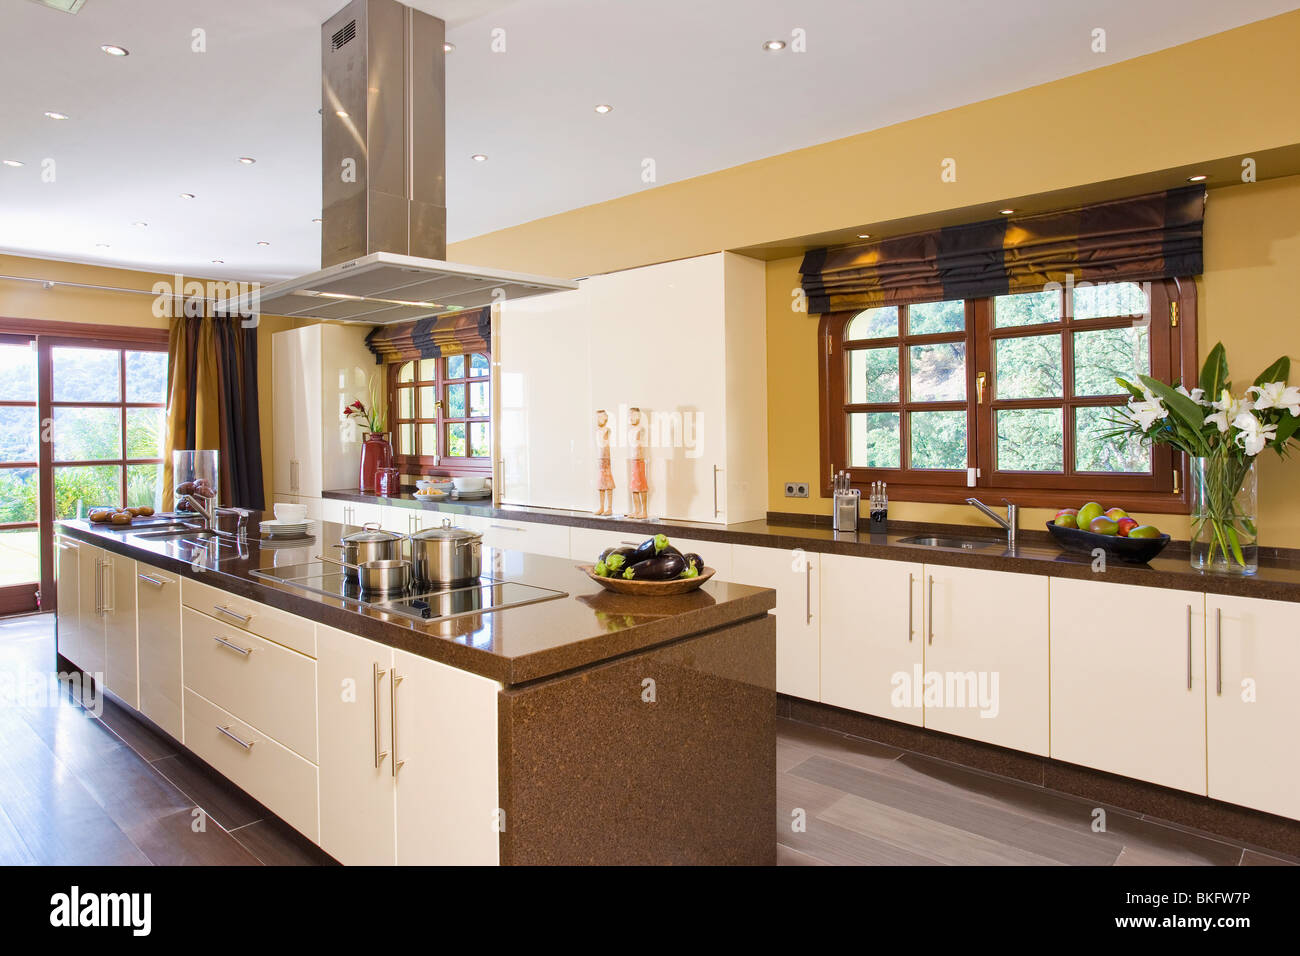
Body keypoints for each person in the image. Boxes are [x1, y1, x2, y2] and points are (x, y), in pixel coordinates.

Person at [594, 408, 614, 516]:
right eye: (597, 417)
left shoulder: (607, 430)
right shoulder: (598, 431)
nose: (598, 419)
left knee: (608, 483)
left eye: (600, 417)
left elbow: (604, 443)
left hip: (606, 459)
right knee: (601, 484)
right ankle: (601, 507)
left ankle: (609, 508)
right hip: (600, 459)